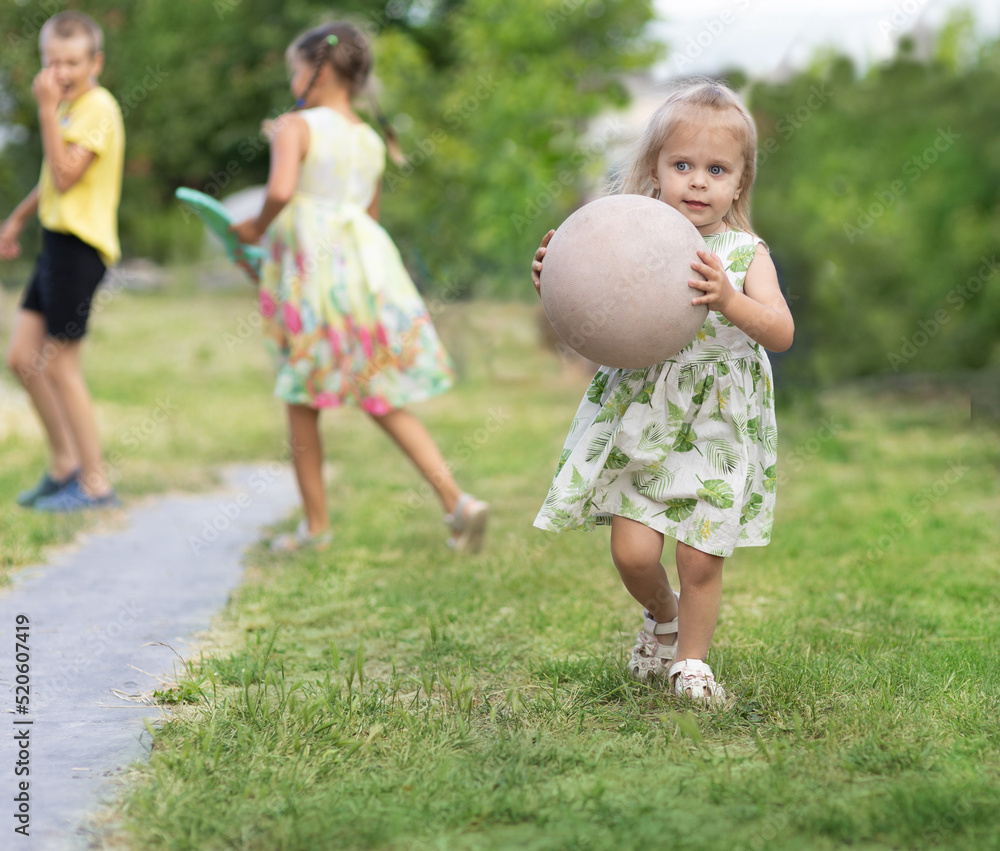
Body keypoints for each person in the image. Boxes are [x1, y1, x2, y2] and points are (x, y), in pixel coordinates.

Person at [530, 80, 794, 704]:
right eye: (683, 165)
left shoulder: (744, 253)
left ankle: (692, 663)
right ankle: (662, 615)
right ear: (655, 170)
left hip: (717, 423)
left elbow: (780, 331)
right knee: (632, 553)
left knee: (701, 556)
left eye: (716, 169)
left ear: (738, 182)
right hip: (644, 415)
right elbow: (593, 301)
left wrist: (730, 299)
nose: (698, 182)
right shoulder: (630, 234)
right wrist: (561, 274)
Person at [232, 22, 488, 553]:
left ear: (316, 70)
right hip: (366, 288)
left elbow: (280, 192)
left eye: (294, 70)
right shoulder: (371, 139)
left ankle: (316, 528)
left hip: (313, 288)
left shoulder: (294, 127)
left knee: (301, 400)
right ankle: (457, 502)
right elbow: (367, 219)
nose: (292, 80)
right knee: (381, 398)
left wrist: (252, 230)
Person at [1, 11, 124, 512]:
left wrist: (48, 112)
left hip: (80, 248)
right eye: (53, 61)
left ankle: (96, 484)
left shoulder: (95, 107)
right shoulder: (70, 109)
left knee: (60, 365)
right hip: (54, 242)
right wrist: (17, 219)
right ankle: (63, 466)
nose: (63, 71)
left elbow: (68, 174)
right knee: (22, 358)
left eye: (73, 61)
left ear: (95, 62)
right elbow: (52, 178)